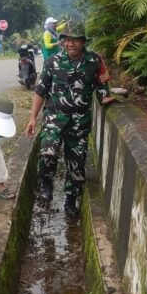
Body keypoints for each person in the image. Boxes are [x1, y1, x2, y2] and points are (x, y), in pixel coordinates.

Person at [26, 25, 116, 218]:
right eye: (66, 39)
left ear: (83, 41)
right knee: (48, 152)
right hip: (54, 118)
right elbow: (41, 91)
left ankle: (70, 200)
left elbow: (101, 83)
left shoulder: (94, 60)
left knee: (76, 164)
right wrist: (33, 118)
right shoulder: (52, 62)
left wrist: (105, 97)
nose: (70, 43)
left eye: (74, 40)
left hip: (79, 121)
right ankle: (46, 183)